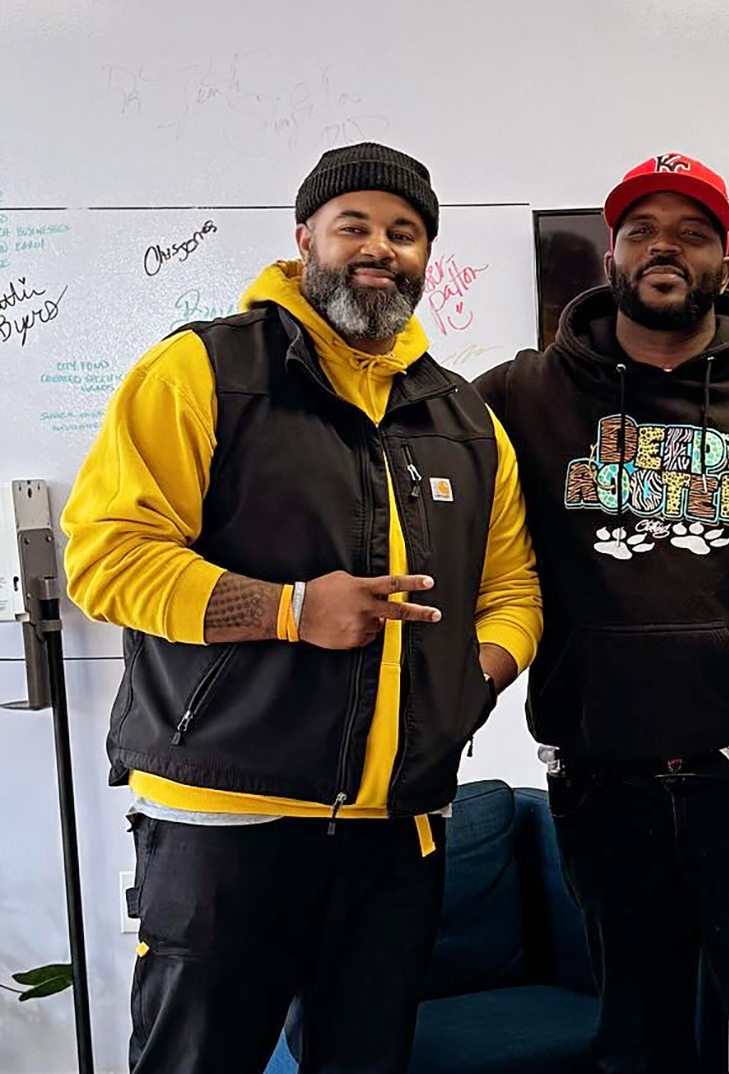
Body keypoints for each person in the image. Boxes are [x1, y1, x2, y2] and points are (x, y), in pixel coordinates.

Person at [60, 142, 543, 1074]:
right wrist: (288, 610)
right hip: (222, 825)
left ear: (424, 256)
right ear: (304, 239)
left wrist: (467, 685)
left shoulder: (464, 418)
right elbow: (107, 558)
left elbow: (512, 587)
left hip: (395, 832)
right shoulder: (203, 370)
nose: (379, 247)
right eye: (352, 225)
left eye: (404, 232)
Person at [475, 152, 729, 1073]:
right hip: (605, 782)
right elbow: (414, 483)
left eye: (691, 233)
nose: (663, 248)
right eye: (641, 230)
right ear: (611, 255)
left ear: (725, 259)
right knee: (640, 1049)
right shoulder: (522, 395)